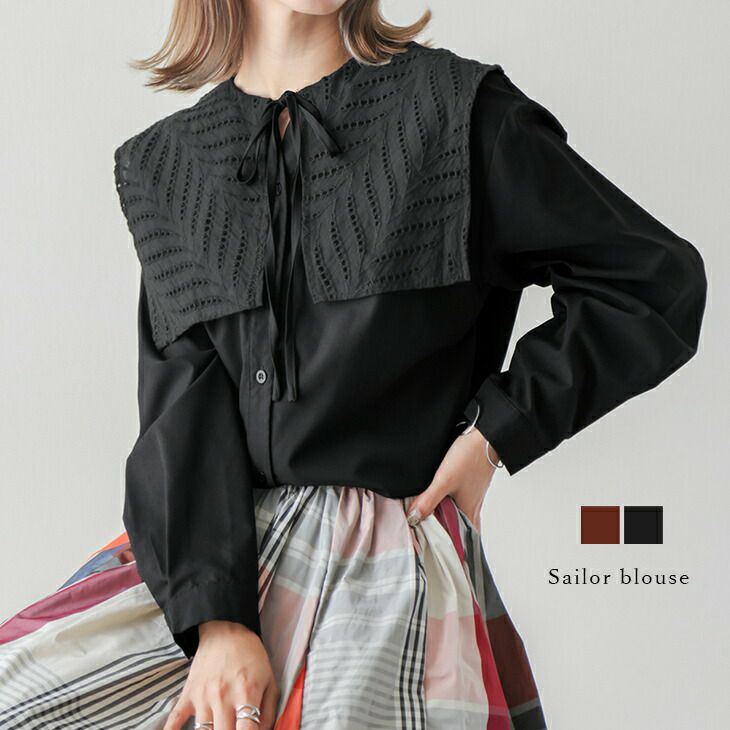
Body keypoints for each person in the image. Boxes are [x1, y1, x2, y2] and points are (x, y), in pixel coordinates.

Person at [0, 1, 707, 729]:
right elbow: (180, 411)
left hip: (385, 575)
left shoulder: (455, 114)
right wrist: (217, 624)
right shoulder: (166, 165)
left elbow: (653, 283)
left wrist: (494, 435)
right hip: (201, 568)